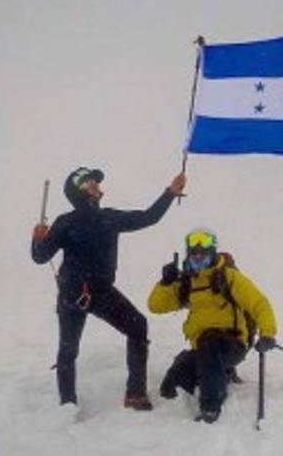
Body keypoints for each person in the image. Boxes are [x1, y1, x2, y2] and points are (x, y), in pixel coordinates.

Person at [31, 165, 187, 416]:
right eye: (89, 182)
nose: (96, 185)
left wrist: (171, 191)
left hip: (92, 293)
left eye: (96, 181)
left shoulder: (105, 217)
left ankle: (129, 395)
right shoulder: (68, 222)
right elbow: (40, 257)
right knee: (70, 350)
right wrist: (38, 239)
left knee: (134, 327)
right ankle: (71, 404)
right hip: (78, 295)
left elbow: (148, 217)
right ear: (78, 191)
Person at [148, 228, 278, 423]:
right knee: (173, 383)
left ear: (213, 254)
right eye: (194, 256)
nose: (199, 260)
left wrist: (268, 334)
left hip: (232, 343)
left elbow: (259, 303)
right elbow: (155, 306)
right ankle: (222, 374)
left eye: (203, 255)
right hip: (203, 348)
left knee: (210, 346)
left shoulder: (227, 276)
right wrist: (165, 283)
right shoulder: (188, 282)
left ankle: (211, 407)